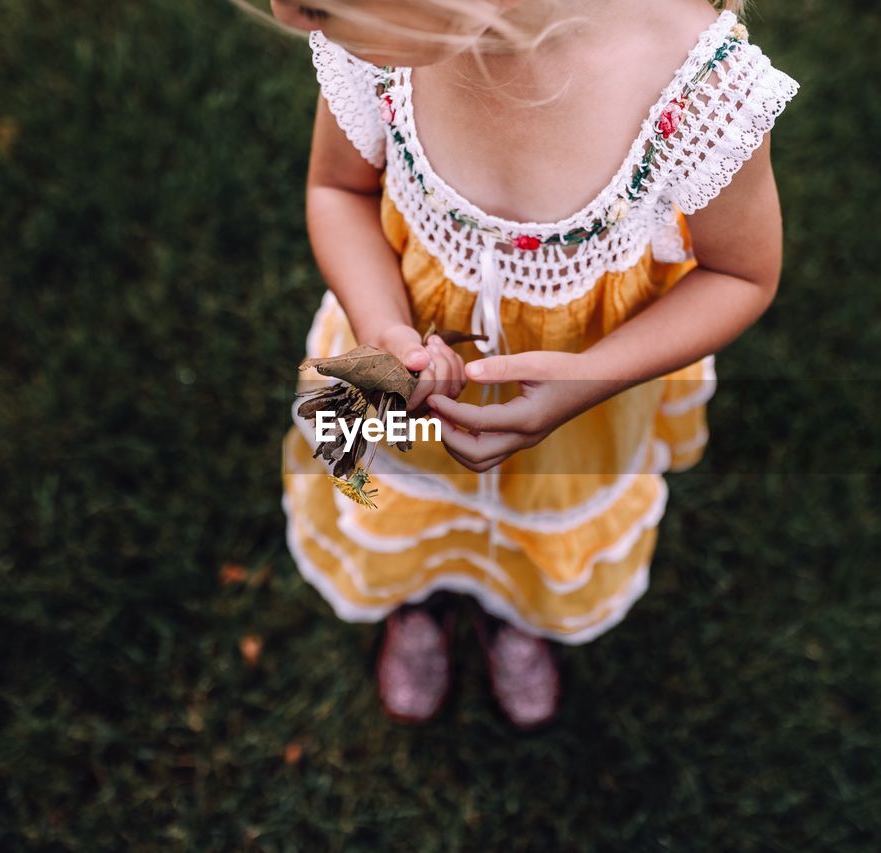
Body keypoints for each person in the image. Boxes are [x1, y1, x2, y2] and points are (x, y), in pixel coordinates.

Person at [253, 0, 799, 729]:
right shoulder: (380, 32)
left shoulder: (696, 88)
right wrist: (384, 325)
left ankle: (513, 615)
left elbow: (741, 275)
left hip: (577, 406)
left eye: (317, 4)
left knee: (536, 528)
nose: (289, 14)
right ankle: (418, 603)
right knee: (392, 499)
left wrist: (586, 379)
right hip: (389, 355)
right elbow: (338, 189)